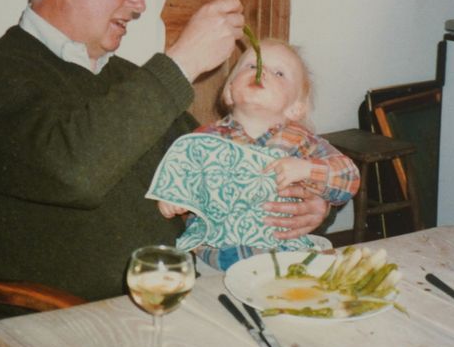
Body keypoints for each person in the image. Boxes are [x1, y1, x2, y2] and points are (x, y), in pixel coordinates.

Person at [0, 0, 329, 326]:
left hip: (176, 301)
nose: (140, 4)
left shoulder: (120, 77)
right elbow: (75, 173)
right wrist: (180, 62)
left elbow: (217, 166)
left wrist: (301, 205)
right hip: (59, 328)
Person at [149, 38, 360, 269]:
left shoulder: (303, 143)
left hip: (284, 257)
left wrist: (307, 169)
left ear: (296, 108)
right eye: (251, 66)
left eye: (279, 73)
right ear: (229, 92)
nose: (262, 71)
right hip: (213, 257)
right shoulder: (204, 139)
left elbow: (349, 178)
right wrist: (173, 198)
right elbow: (180, 174)